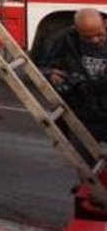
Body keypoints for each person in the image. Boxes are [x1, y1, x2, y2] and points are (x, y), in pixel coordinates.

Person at [35, 8, 107, 140]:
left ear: (105, 23)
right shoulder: (66, 39)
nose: (95, 40)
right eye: (87, 37)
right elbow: (42, 67)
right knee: (83, 157)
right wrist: (50, 74)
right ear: (77, 30)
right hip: (81, 116)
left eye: (99, 35)